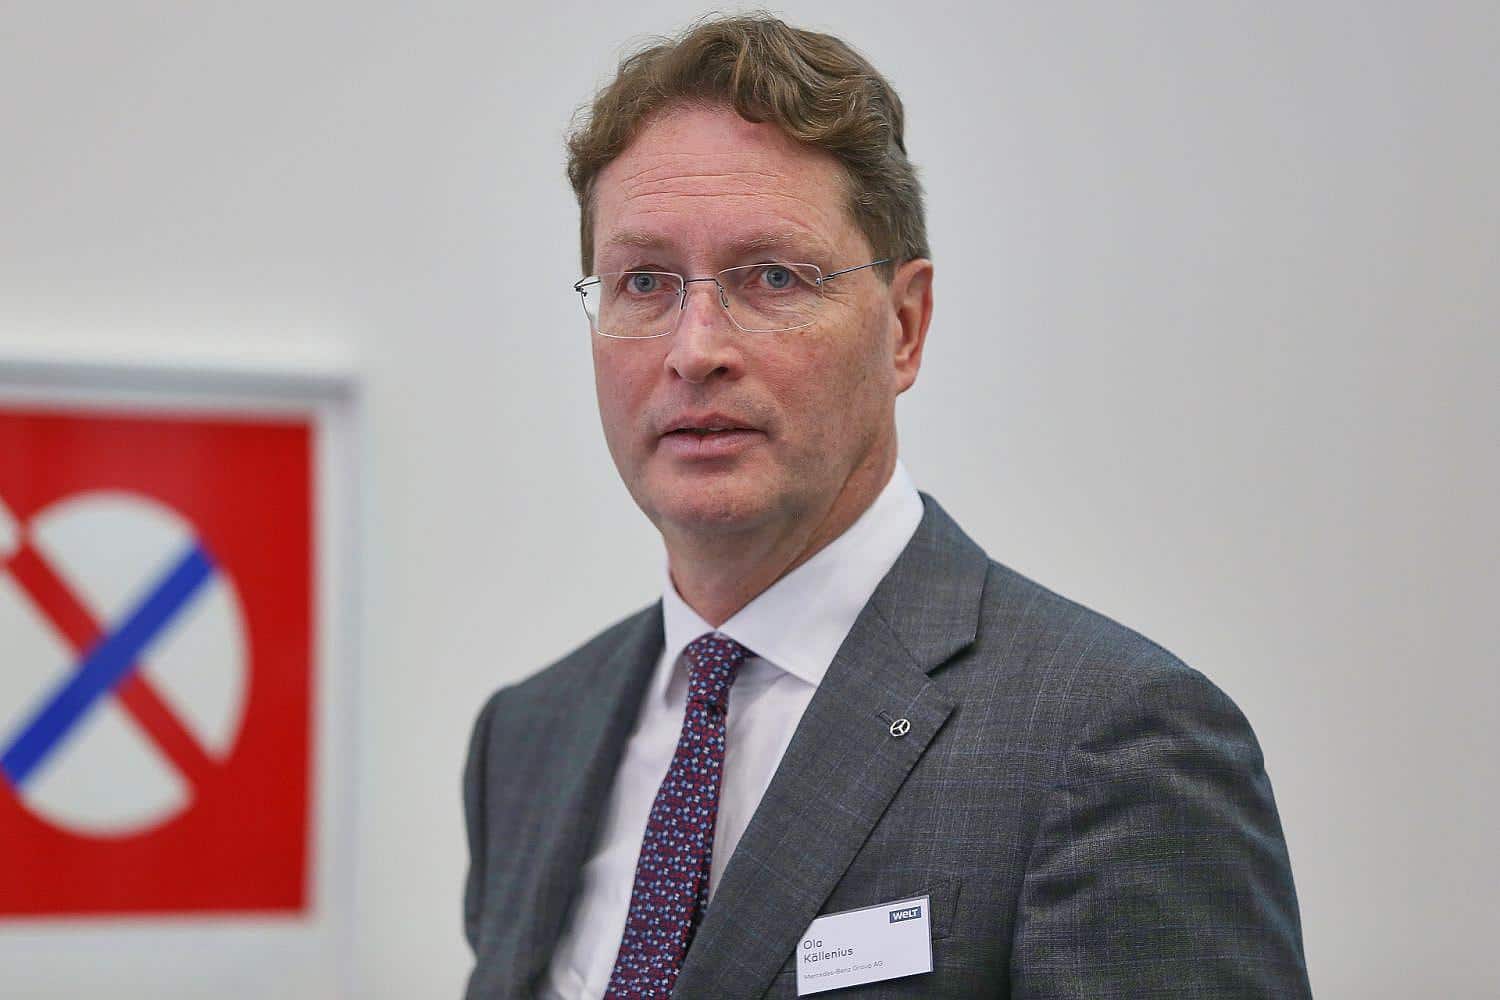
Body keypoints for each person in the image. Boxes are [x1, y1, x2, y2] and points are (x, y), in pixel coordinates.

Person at [463, 14, 1310, 999]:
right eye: (644, 282)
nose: (695, 350)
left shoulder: (1111, 742)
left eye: (772, 277)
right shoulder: (528, 739)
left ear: (905, 326)